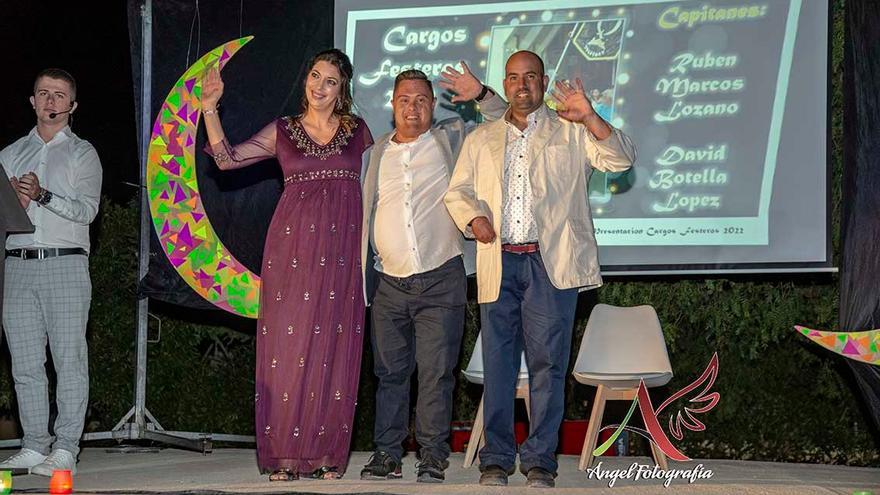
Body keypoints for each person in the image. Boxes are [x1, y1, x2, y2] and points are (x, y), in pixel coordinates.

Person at [444, 51, 636, 488]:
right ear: (505, 84)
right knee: (498, 364)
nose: (521, 84)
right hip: (500, 261)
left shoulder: (571, 131)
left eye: (530, 76)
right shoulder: (482, 137)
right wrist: (473, 217)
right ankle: (496, 458)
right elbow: (458, 192)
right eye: (513, 77)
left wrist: (590, 116)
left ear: (544, 82)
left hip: (551, 266)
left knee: (549, 366)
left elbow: (621, 159)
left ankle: (540, 462)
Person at [200, 48, 373, 481]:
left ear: (343, 90)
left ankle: (327, 455)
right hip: (292, 252)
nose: (319, 86)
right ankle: (285, 458)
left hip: (341, 256)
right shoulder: (283, 131)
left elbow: (379, 187)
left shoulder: (358, 133)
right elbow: (226, 160)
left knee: (334, 349)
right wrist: (209, 108)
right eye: (315, 75)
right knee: (288, 349)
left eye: (330, 80)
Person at [358, 67, 505, 483]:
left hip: (442, 279)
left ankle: (432, 456)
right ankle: (386, 454)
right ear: (392, 105)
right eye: (404, 99)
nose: (413, 107)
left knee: (437, 374)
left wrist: (480, 93)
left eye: (422, 100)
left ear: (432, 106)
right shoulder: (374, 155)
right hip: (388, 282)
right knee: (389, 374)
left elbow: (499, 118)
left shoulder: (453, 138)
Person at [0, 68, 102, 476]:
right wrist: (14, 205)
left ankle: (65, 447)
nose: (50, 101)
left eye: (59, 95)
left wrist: (42, 195)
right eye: (43, 93)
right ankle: (34, 444)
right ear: (32, 101)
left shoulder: (83, 153)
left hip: (65, 261)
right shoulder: (9, 153)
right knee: (24, 364)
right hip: (17, 266)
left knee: (68, 359)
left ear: (72, 105)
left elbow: (87, 210)